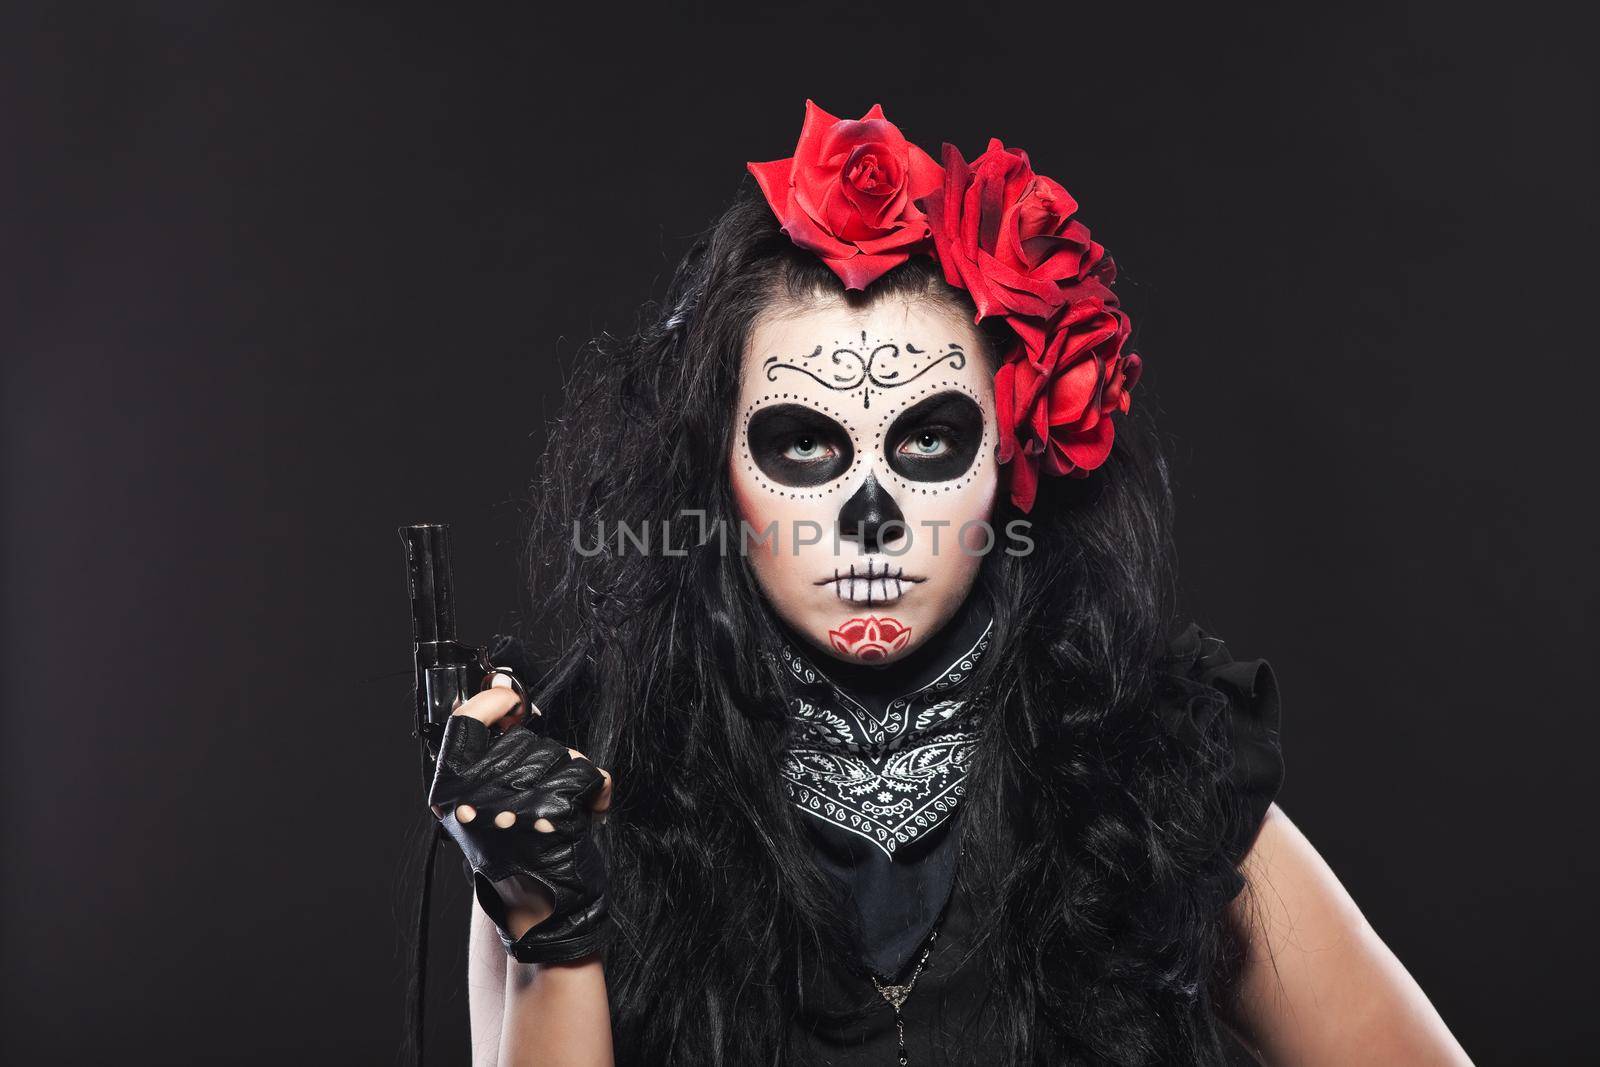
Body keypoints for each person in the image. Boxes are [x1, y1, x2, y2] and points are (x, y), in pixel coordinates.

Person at [424, 102, 1471, 1065]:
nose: (870, 519)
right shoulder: (577, 785)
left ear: (1012, 463)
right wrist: (544, 922)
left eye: (927, 439)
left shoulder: (1156, 763)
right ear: (720, 473)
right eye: (803, 445)